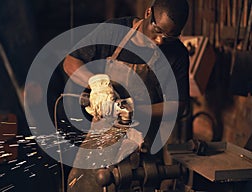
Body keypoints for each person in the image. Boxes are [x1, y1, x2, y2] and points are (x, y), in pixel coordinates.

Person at [63, 0, 190, 191]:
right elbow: (71, 61)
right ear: (148, 13)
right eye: (157, 31)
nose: (160, 41)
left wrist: (136, 110)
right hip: (102, 137)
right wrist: (97, 83)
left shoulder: (176, 54)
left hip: (144, 144)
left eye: (170, 36)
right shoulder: (113, 32)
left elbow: (178, 105)